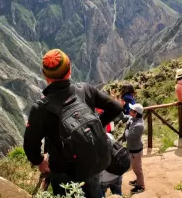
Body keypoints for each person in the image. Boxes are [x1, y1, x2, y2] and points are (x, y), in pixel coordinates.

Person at [23, 49, 123, 198]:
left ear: (46, 77)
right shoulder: (85, 90)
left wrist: (38, 161)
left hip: (63, 171)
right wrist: (96, 125)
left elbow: (30, 145)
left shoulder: (41, 108)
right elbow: (116, 107)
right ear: (69, 71)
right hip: (91, 164)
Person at [121, 104, 145, 195]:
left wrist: (126, 129)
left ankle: (141, 186)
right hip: (132, 149)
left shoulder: (139, 125)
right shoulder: (133, 119)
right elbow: (125, 117)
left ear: (136, 113)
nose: (129, 110)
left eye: (131, 110)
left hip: (136, 151)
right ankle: (138, 180)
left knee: (138, 169)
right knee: (136, 168)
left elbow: (129, 137)